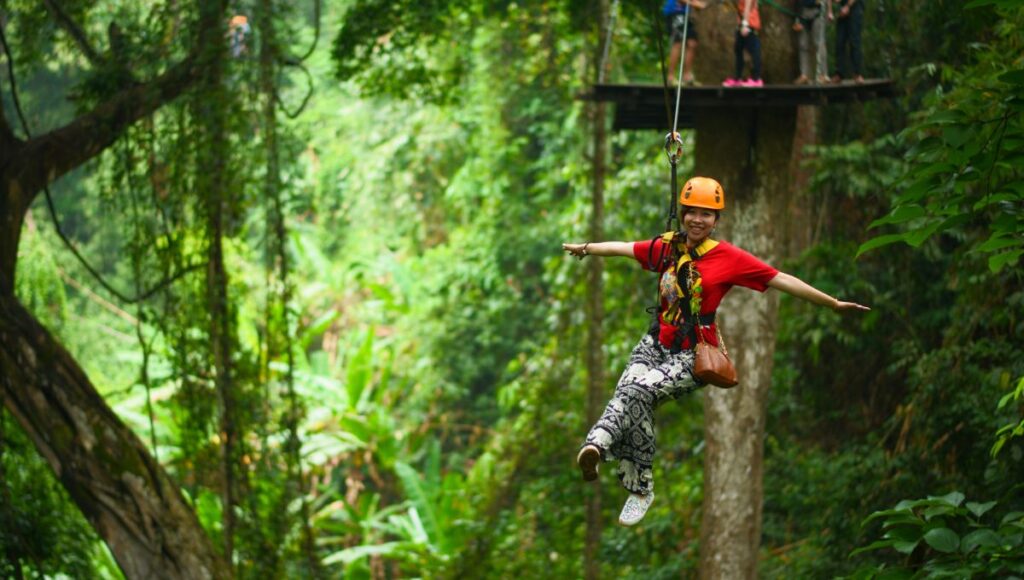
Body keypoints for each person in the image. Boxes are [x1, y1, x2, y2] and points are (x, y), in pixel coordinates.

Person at [563, 177, 869, 526]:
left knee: (639, 391)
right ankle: (598, 450)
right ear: (683, 214)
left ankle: (636, 482)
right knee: (629, 391)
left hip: (693, 354)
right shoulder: (667, 247)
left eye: (706, 214)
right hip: (655, 343)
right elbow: (624, 247)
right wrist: (586, 248)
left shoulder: (727, 257)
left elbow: (779, 278)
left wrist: (831, 303)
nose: (697, 220)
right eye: (692, 212)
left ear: (716, 220)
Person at [664, 0, 708, 85]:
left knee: (692, 43)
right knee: (678, 43)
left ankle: (687, 76)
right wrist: (694, 4)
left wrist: (698, 5)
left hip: (686, 14)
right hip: (675, 12)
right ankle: (670, 77)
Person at [722, 0, 763, 87]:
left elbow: (748, 7)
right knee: (738, 49)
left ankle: (756, 79)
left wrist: (745, 24)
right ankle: (738, 78)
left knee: (754, 50)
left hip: (749, 24)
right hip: (743, 24)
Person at [792, 0, 833, 85]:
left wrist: (829, 11)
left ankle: (823, 74)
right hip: (803, 13)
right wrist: (797, 19)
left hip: (818, 12)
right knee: (803, 45)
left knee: (819, 43)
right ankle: (804, 74)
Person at [832, 0, 864, 83]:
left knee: (854, 42)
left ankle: (857, 73)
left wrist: (847, 6)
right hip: (841, 9)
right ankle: (839, 73)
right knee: (840, 42)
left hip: (854, 8)